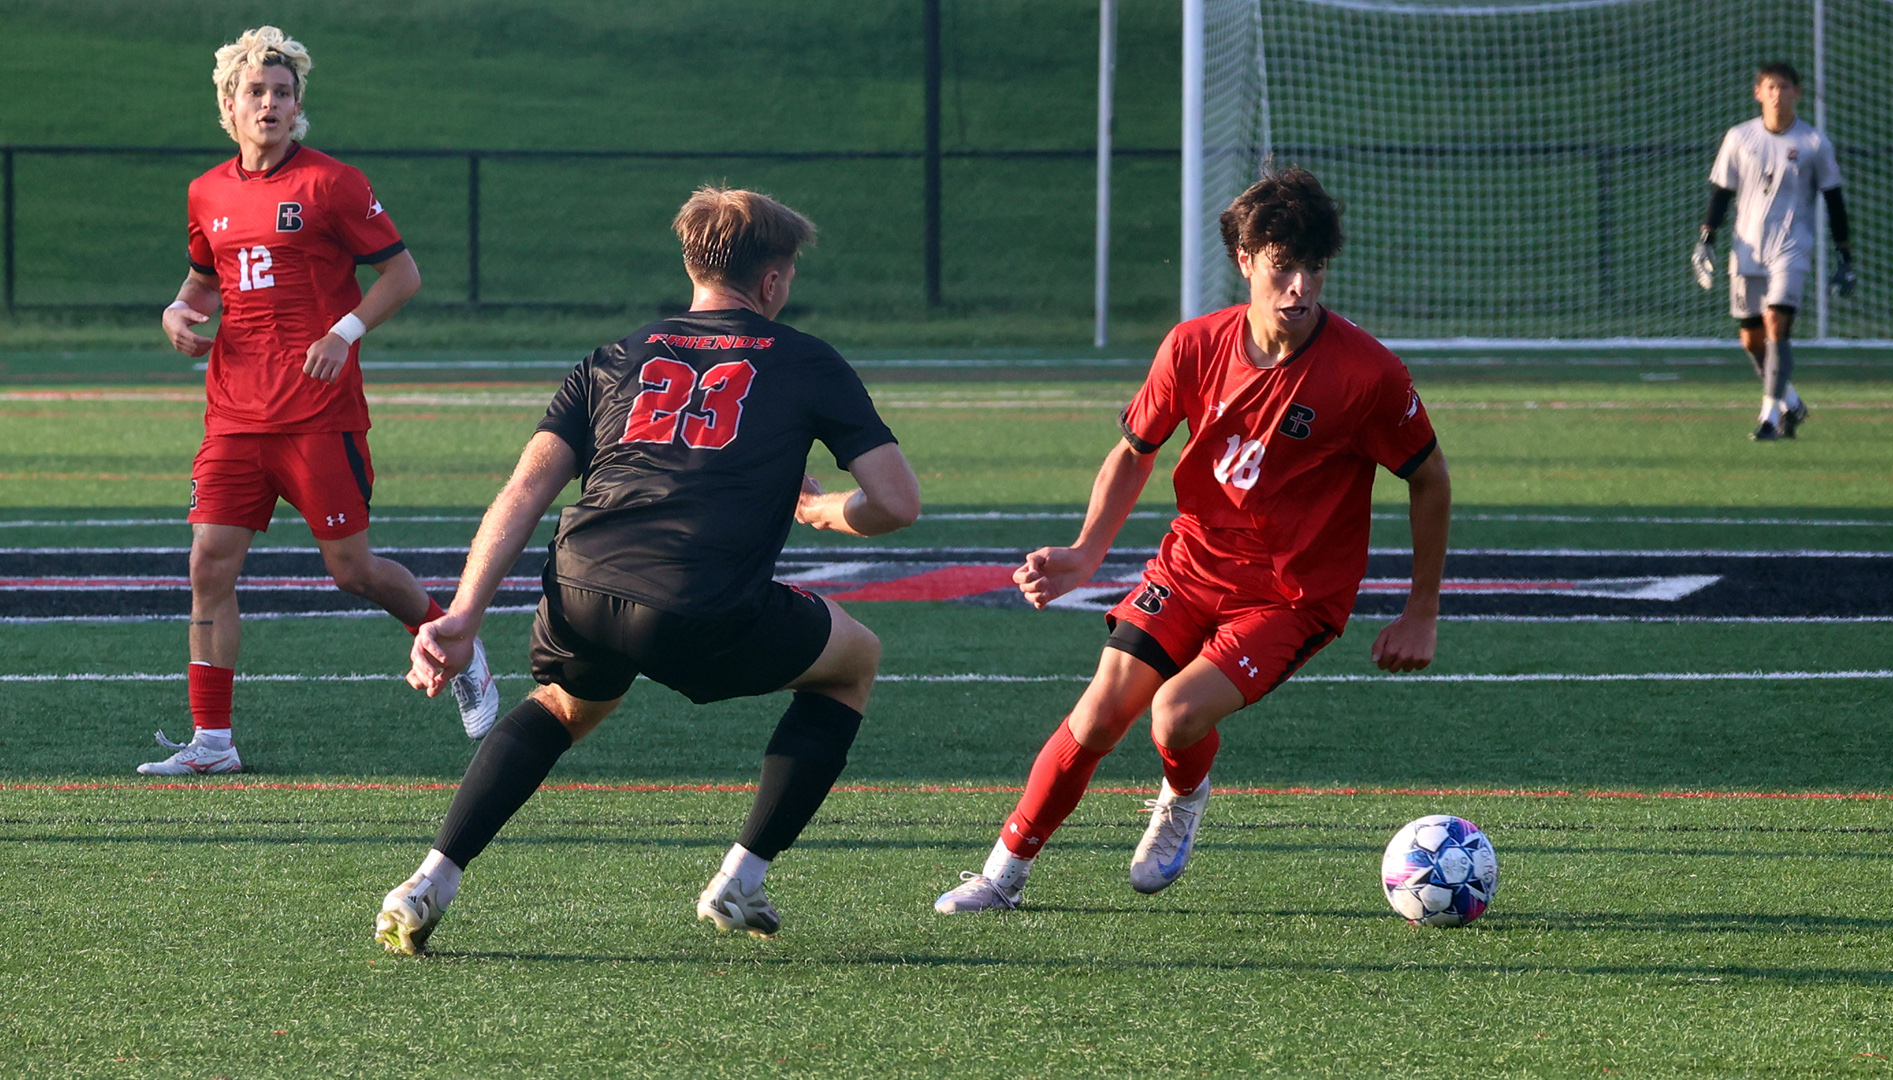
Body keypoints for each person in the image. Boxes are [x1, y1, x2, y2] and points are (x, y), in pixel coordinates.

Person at [374, 186, 920, 955]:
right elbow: (897, 502)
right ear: (771, 282)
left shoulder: (614, 356)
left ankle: (431, 878)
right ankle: (743, 878)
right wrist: (825, 512)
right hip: (699, 602)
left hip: (584, 584)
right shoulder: (805, 360)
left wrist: (462, 614)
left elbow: (526, 488)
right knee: (853, 662)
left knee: (567, 706)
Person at [935, 164, 1451, 913]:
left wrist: (1422, 611)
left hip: (1290, 595)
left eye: (1313, 268)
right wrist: (1086, 552)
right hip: (1190, 563)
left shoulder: (1366, 375)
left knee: (1174, 714)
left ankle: (1184, 792)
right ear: (1245, 261)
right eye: (1283, 266)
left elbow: (1429, 477)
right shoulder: (1192, 346)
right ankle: (1001, 875)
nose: (1300, 287)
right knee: (1101, 710)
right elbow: (1134, 451)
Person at [146, 26, 496, 776]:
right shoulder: (205, 191)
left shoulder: (332, 183)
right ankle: (213, 742)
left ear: (297, 104)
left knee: (353, 571)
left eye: (282, 93)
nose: (269, 105)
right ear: (229, 105)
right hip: (234, 412)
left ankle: (457, 644)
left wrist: (344, 330)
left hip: (317, 411)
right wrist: (179, 311)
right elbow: (205, 276)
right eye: (255, 93)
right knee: (209, 562)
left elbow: (401, 276)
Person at [1690, 61, 1853, 442]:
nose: (1778, 94)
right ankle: (1792, 403)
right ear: (1758, 93)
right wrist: (1706, 239)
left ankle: (1768, 419)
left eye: (1785, 87)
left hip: (1791, 248)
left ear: (1797, 93)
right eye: (1771, 87)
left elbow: (1835, 200)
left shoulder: (1814, 143)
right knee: (1752, 339)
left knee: (1776, 325)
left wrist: (1845, 255)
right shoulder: (1739, 137)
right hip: (1747, 247)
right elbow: (1721, 193)